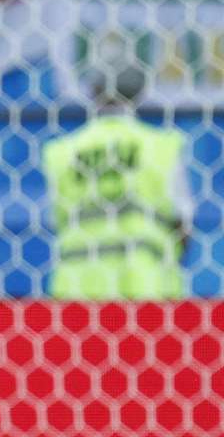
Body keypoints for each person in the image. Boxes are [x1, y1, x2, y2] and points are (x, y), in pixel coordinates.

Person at [42, 65, 191, 299]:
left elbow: (55, 220)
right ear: (139, 94)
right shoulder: (161, 146)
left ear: (93, 91)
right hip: (147, 288)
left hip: (77, 290)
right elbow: (183, 223)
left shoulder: (62, 151)